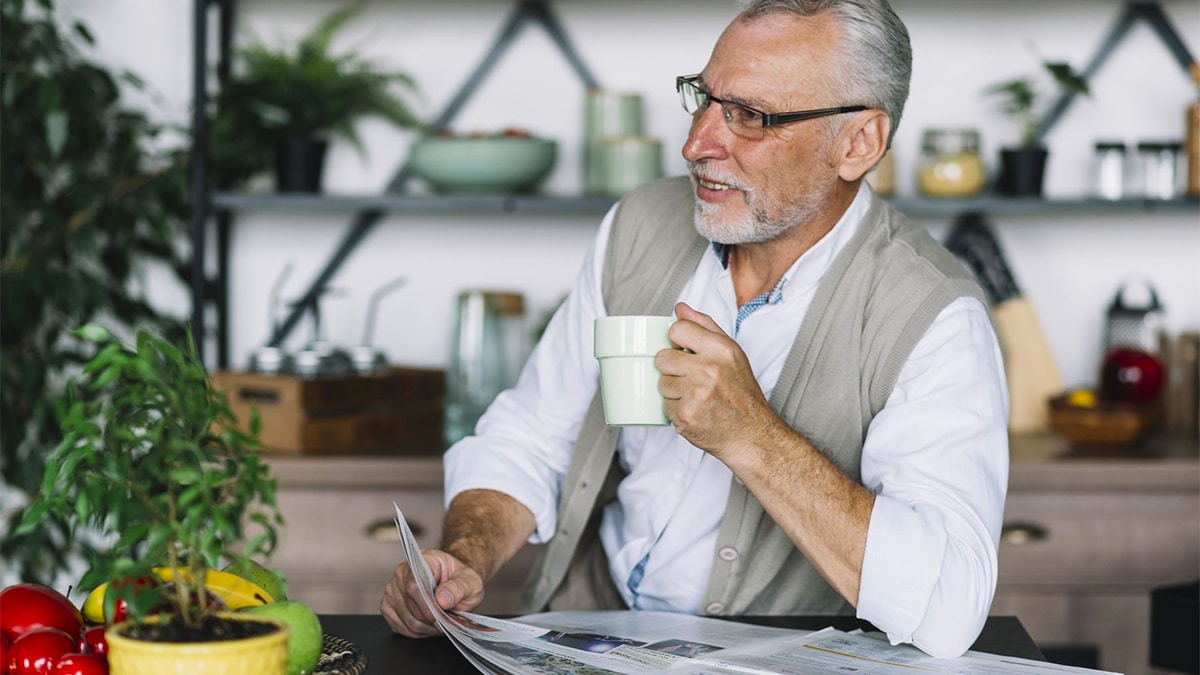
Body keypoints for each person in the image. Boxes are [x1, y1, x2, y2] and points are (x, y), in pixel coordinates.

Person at [382, 0, 1008, 659]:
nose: (696, 144)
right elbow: (531, 435)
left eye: (750, 116)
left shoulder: (935, 314)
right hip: (586, 646)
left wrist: (755, 438)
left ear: (858, 143)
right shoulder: (639, 225)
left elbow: (948, 607)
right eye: (703, 99)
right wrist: (462, 558)